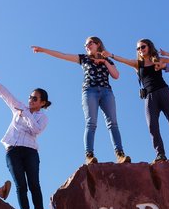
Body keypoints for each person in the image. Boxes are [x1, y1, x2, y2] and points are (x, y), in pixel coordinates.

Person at [32, 37, 131, 165]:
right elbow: (63, 55)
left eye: (89, 43)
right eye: (85, 45)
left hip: (106, 91)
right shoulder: (83, 58)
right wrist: (44, 50)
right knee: (91, 123)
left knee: (113, 123)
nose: (87, 46)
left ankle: (120, 154)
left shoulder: (107, 59)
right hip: (90, 91)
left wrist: (104, 61)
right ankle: (89, 155)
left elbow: (116, 75)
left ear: (98, 44)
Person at [0, 67, 50, 209]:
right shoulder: (19, 107)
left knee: (34, 184)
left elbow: (36, 130)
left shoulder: (42, 117)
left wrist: (26, 115)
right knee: (20, 185)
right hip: (13, 150)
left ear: (42, 103)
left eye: (35, 98)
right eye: (30, 97)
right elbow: (5, 94)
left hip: (30, 151)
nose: (30, 100)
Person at [110, 39, 169, 163]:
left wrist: (166, 53)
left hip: (164, 92)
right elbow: (123, 60)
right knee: (152, 126)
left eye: (143, 47)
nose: (140, 50)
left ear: (149, 47)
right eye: (138, 48)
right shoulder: (137, 64)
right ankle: (160, 154)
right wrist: (111, 55)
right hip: (149, 97)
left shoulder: (158, 59)